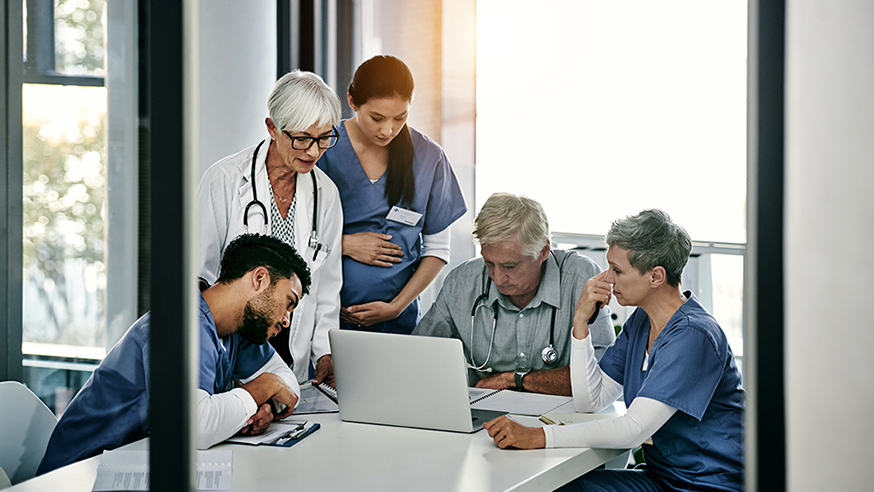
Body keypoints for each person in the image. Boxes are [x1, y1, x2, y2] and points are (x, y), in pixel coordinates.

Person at [483, 210, 745, 492]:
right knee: (555, 485)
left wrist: (539, 436)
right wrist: (580, 324)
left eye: (617, 271)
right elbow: (590, 401)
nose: (607, 279)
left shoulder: (694, 335)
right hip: (662, 478)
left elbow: (633, 430)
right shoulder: (642, 321)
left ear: (656, 276)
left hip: (708, 485)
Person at [37, 234, 311, 475]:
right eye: (289, 302)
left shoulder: (238, 329)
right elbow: (198, 427)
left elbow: (286, 382)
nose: (287, 320)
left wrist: (261, 406)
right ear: (260, 278)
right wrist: (264, 387)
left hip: (141, 463)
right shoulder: (179, 323)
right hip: (82, 472)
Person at [197, 70, 343, 386]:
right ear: (272, 128)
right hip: (232, 350)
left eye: (324, 139)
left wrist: (326, 352)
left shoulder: (326, 194)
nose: (314, 151)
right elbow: (199, 279)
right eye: (302, 138)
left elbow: (328, 287)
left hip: (292, 354)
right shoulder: (224, 179)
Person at [318, 55, 467, 334]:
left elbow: (437, 250)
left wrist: (396, 306)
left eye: (400, 118)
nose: (388, 130)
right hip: (325, 320)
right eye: (377, 118)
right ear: (352, 102)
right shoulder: (323, 149)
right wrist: (344, 244)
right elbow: (293, 237)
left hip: (397, 323)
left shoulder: (429, 158)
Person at [412, 193, 615, 396]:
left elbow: (601, 376)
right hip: (484, 416)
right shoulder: (462, 282)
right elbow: (416, 355)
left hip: (560, 419)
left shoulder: (580, 279)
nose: (497, 278)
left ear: (544, 250)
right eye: (489, 262)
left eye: (510, 265)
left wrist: (511, 379)